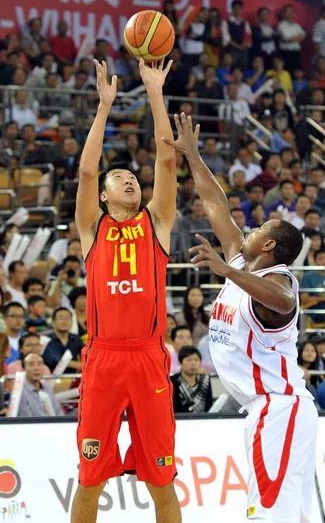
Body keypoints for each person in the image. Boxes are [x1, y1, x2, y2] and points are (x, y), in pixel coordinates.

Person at [163, 112, 318, 522]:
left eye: (254, 230)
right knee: (287, 514)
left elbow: (285, 302)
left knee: (268, 515)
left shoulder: (278, 281)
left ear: (267, 244)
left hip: (278, 406)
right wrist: (194, 156)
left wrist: (229, 272)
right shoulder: (241, 258)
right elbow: (216, 204)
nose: (244, 231)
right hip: (267, 408)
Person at [70, 59, 181, 523]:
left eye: (131, 176)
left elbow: (167, 158)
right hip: (104, 359)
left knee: (161, 480)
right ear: (104, 195)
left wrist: (155, 92)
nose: (128, 178)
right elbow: (86, 173)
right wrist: (104, 108)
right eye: (118, 178)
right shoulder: (91, 228)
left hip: (148, 357)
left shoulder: (156, 222)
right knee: (90, 480)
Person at [16, 353, 63, 417]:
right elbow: (26, 421)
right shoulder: (20, 392)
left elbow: (59, 413)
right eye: (31, 364)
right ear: (23, 369)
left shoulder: (48, 388)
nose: (36, 368)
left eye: (40, 364)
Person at [300, 250, 325, 327]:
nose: (324, 261)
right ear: (315, 261)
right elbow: (304, 299)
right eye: (320, 259)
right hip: (316, 309)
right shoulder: (307, 277)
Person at [171, 346, 213, 413]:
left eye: (196, 360)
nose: (193, 363)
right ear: (180, 362)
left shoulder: (205, 380)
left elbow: (209, 406)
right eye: (189, 360)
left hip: (203, 420)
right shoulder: (172, 381)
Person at [42, 307, 84, 374]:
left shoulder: (76, 338)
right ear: (53, 322)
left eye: (68, 318)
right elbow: (58, 361)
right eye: (61, 318)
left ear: (72, 322)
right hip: (52, 379)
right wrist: (84, 366)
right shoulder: (46, 340)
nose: (64, 322)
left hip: (74, 378)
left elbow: (87, 354)